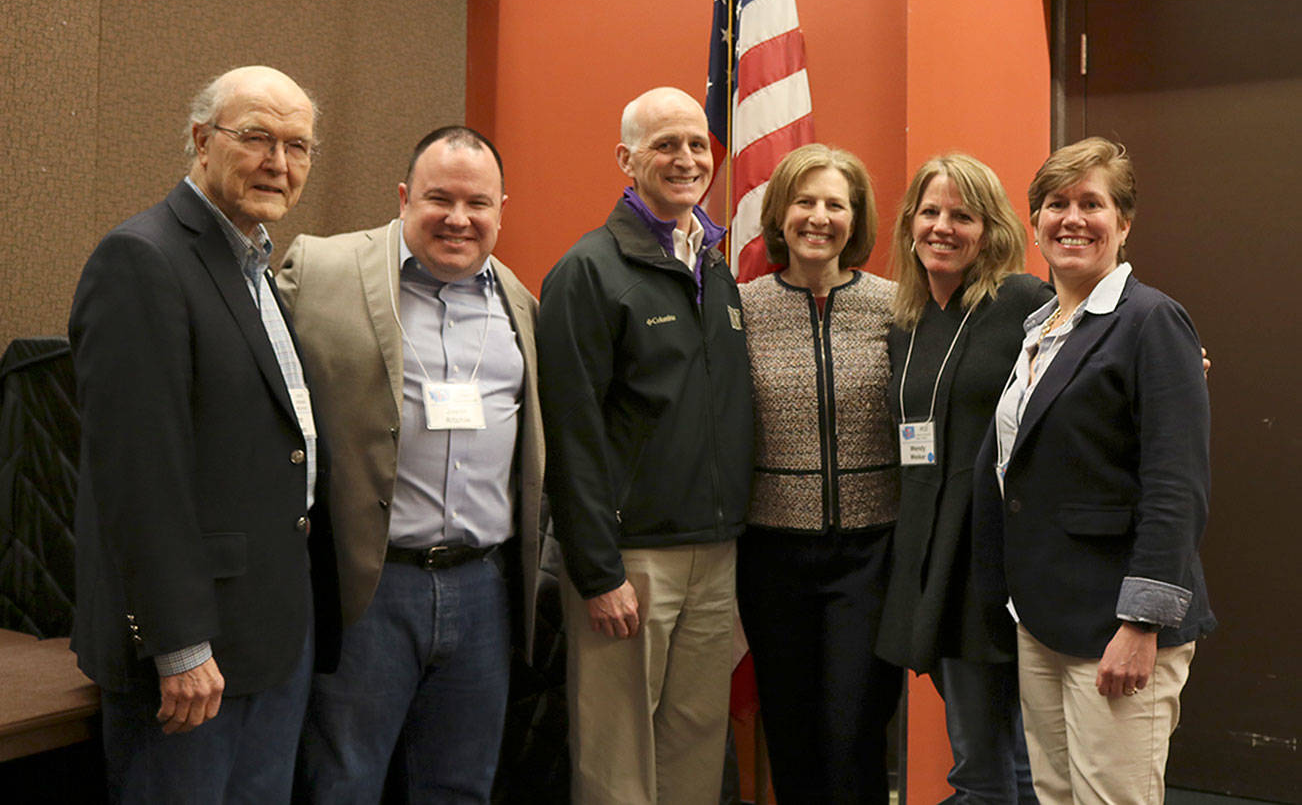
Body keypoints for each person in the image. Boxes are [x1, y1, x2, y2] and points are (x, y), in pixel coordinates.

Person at [67, 65, 341, 802]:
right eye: (256, 137)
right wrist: (180, 644)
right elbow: (137, 478)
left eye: (297, 146)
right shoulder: (142, 259)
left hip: (266, 637)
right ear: (200, 139)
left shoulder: (253, 266)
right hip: (193, 656)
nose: (278, 163)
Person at [276, 126, 544, 802]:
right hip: (368, 589)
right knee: (342, 784)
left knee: (461, 787)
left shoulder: (521, 303)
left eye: (478, 203)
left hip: (483, 591)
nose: (459, 218)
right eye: (439, 199)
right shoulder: (323, 269)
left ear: (502, 209)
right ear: (403, 198)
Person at [974, 137, 1215, 803]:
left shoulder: (1151, 320)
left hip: (1117, 625)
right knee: (1055, 795)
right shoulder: (1041, 329)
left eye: (1092, 203)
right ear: (1035, 222)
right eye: (1056, 204)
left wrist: (1141, 624)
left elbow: (1176, 489)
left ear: (1124, 222)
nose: (1072, 219)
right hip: (1044, 619)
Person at [537, 86, 753, 805]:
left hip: (713, 554)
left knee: (694, 754)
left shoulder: (713, 266)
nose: (686, 158)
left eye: (696, 143)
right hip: (631, 563)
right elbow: (571, 434)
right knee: (617, 766)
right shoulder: (588, 272)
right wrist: (598, 573)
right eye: (665, 145)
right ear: (626, 160)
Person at [876, 153, 1049, 803]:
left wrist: (1172, 360)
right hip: (927, 557)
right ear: (910, 224)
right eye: (930, 212)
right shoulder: (907, 321)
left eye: (962, 216)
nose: (942, 227)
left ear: (990, 229)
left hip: (991, 563)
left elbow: (1099, 346)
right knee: (991, 755)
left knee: (993, 763)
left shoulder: (1023, 301)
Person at [735, 143, 902, 804]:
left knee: (854, 732)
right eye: (805, 201)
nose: (819, 217)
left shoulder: (895, 307)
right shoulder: (741, 308)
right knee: (791, 731)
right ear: (781, 212)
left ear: (855, 218)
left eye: (836, 204)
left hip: (870, 555)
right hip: (772, 555)